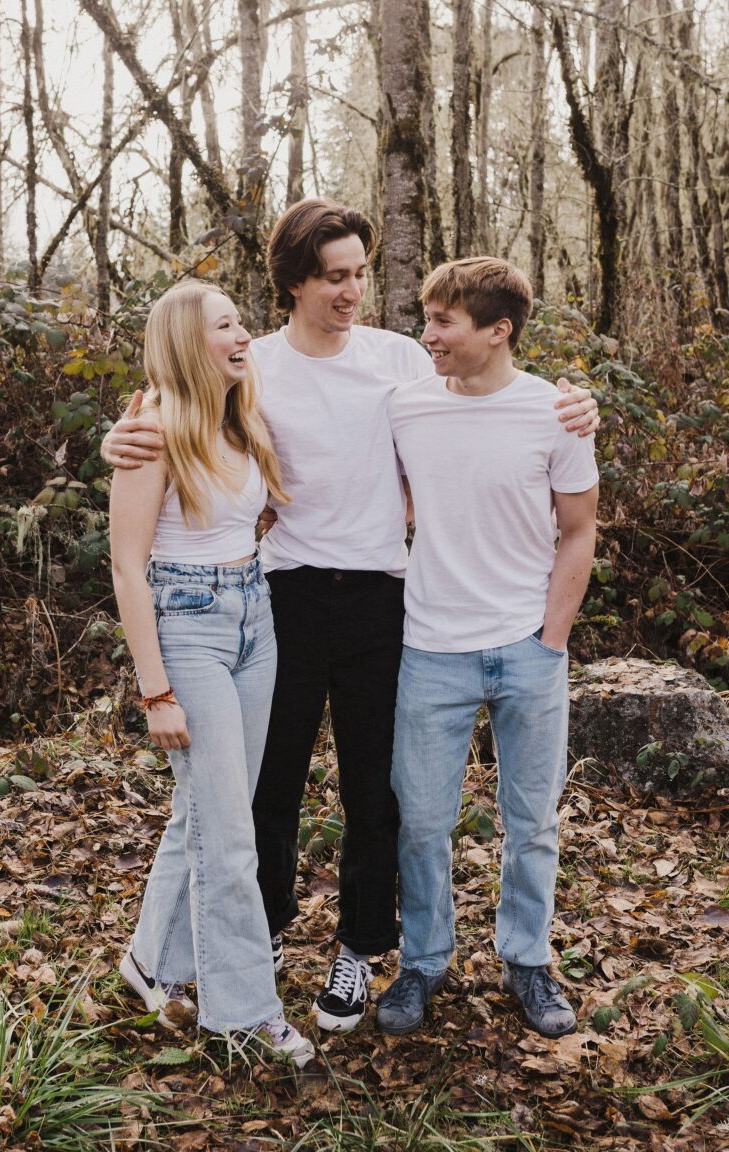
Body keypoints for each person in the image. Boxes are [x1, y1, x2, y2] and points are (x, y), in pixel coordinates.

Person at [102, 199, 600, 1035]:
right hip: (281, 594)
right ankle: (256, 936)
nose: (354, 291)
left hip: (386, 597)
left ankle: (359, 949)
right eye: (335, 277)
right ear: (294, 283)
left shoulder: (402, 358)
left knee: (379, 792)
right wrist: (121, 436)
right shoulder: (250, 362)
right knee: (271, 787)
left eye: (361, 273)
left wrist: (574, 403)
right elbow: (177, 409)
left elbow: (487, 393)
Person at [376, 257, 599, 1040]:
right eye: (427, 318)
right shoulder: (405, 405)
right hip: (430, 645)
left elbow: (579, 530)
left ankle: (527, 959)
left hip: (527, 649)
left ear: (498, 332)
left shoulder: (556, 414)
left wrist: (552, 638)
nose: (426, 335)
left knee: (531, 821)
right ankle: (424, 962)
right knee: (423, 822)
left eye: (443, 322)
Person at [109, 280, 314, 1066]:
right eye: (224, 325)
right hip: (186, 628)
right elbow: (129, 569)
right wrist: (155, 690)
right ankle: (244, 1016)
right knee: (231, 835)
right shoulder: (153, 428)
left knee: (208, 809)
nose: (242, 334)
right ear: (187, 343)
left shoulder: (238, 411)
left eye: (240, 321)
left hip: (252, 616)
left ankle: (150, 961)